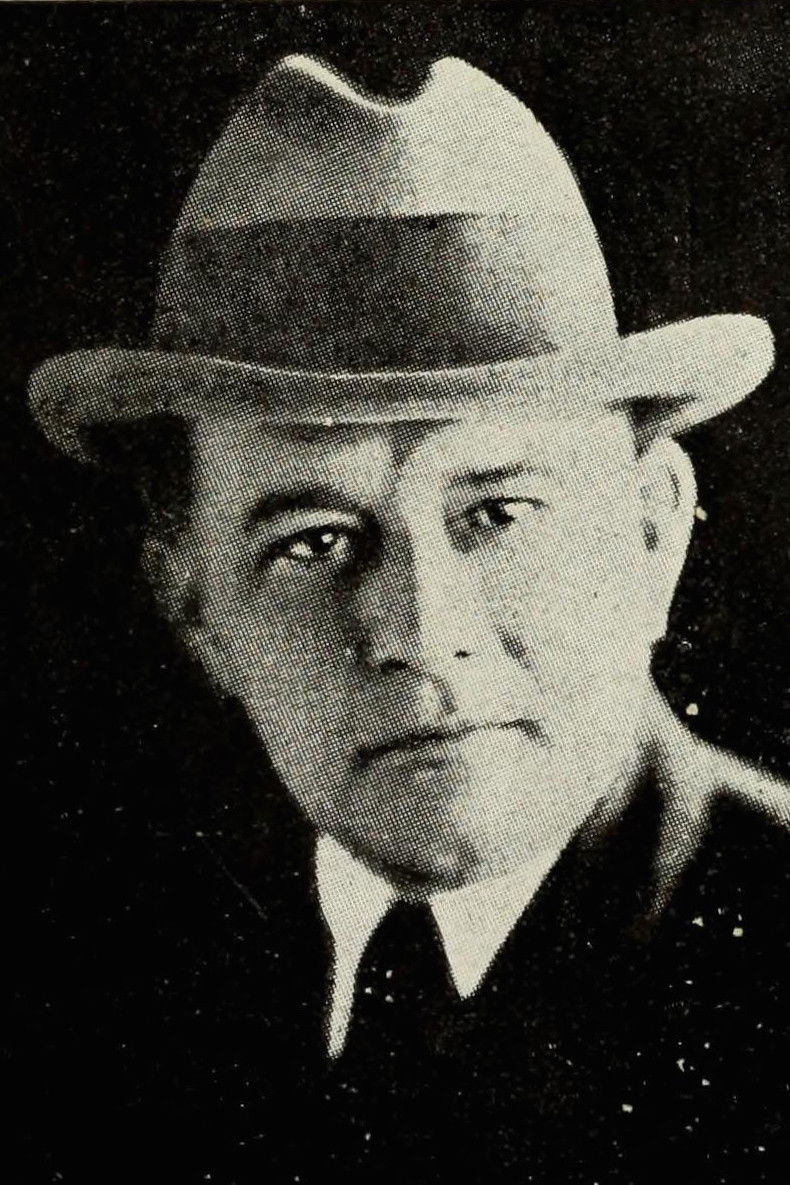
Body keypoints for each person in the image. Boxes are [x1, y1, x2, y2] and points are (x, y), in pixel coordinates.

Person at [21, 53, 790, 1184]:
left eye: (498, 513)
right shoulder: (103, 995)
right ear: (193, 607)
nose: (422, 630)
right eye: (312, 542)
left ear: (651, 534)